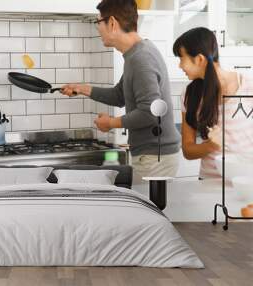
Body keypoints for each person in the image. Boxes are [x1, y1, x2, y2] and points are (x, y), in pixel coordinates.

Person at [60, 0, 181, 184]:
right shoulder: (135, 54)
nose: (97, 28)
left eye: (98, 22)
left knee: (146, 211)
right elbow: (119, 95)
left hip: (155, 157)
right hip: (152, 154)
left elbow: (150, 112)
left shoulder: (141, 58)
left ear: (112, 23)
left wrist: (111, 123)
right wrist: (81, 88)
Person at [173, 27, 253, 179]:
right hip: (208, 183)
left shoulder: (247, 85)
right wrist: (211, 146)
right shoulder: (189, 95)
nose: (180, 65)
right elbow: (188, 150)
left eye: (181, 58)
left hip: (245, 183)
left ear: (199, 59)